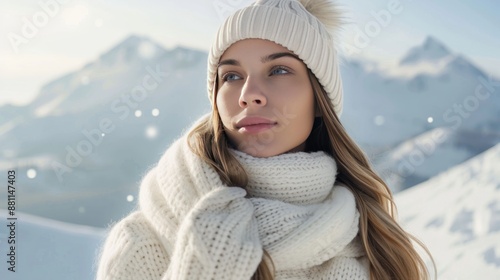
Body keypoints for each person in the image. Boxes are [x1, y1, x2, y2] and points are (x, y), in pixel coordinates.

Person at [96, 0, 433, 279]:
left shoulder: (375, 246)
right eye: (231, 76)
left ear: (319, 99)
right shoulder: (143, 244)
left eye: (279, 70)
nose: (248, 94)